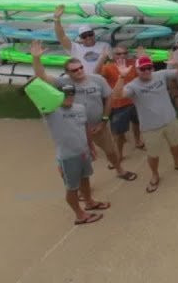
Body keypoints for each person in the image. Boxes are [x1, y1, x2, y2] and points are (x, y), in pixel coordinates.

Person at [29, 41, 136, 183]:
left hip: (98, 126)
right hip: (76, 128)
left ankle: (120, 170)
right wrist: (36, 58)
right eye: (74, 70)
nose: (79, 71)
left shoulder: (97, 80)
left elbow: (109, 98)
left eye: (80, 68)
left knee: (111, 151)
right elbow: (42, 76)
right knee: (81, 158)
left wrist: (104, 121)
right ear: (67, 72)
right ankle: (82, 186)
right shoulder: (64, 82)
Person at [112, 53, 178, 193]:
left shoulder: (161, 74)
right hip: (150, 127)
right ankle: (155, 174)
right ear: (137, 70)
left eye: (149, 67)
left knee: (176, 144)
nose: (147, 71)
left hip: (170, 119)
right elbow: (117, 95)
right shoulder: (133, 85)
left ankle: (177, 163)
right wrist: (122, 76)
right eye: (143, 69)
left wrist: (176, 63)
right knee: (153, 154)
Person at [39, 81, 110, 225]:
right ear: (57, 95)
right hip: (67, 157)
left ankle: (89, 202)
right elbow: (37, 92)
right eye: (65, 94)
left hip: (83, 152)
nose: (69, 97)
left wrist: (90, 146)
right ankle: (80, 215)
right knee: (72, 188)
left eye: (72, 93)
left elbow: (85, 127)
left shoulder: (79, 108)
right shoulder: (51, 111)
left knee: (85, 178)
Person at [101, 45, 144, 161]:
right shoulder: (108, 68)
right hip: (118, 105)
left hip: (134, 101)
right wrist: (102, 58)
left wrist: (142, 57)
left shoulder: (133, 64)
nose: (122, 56)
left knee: (137, 123)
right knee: (118, 134)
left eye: (125, 53)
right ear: (113, 56)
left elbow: (145, 74)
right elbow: (97, 76)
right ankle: (119, 154)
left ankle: (138, 141)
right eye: (118, 54)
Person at [53, 7, 108, 75]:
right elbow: (61, 37)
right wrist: (56, 19)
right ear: (80, 38)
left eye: (90, 34)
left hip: (100, 80)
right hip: (80, 79)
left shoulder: (104, 45)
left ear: (94, 34)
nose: (88, 37)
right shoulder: (75, 47)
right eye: (84, 36)